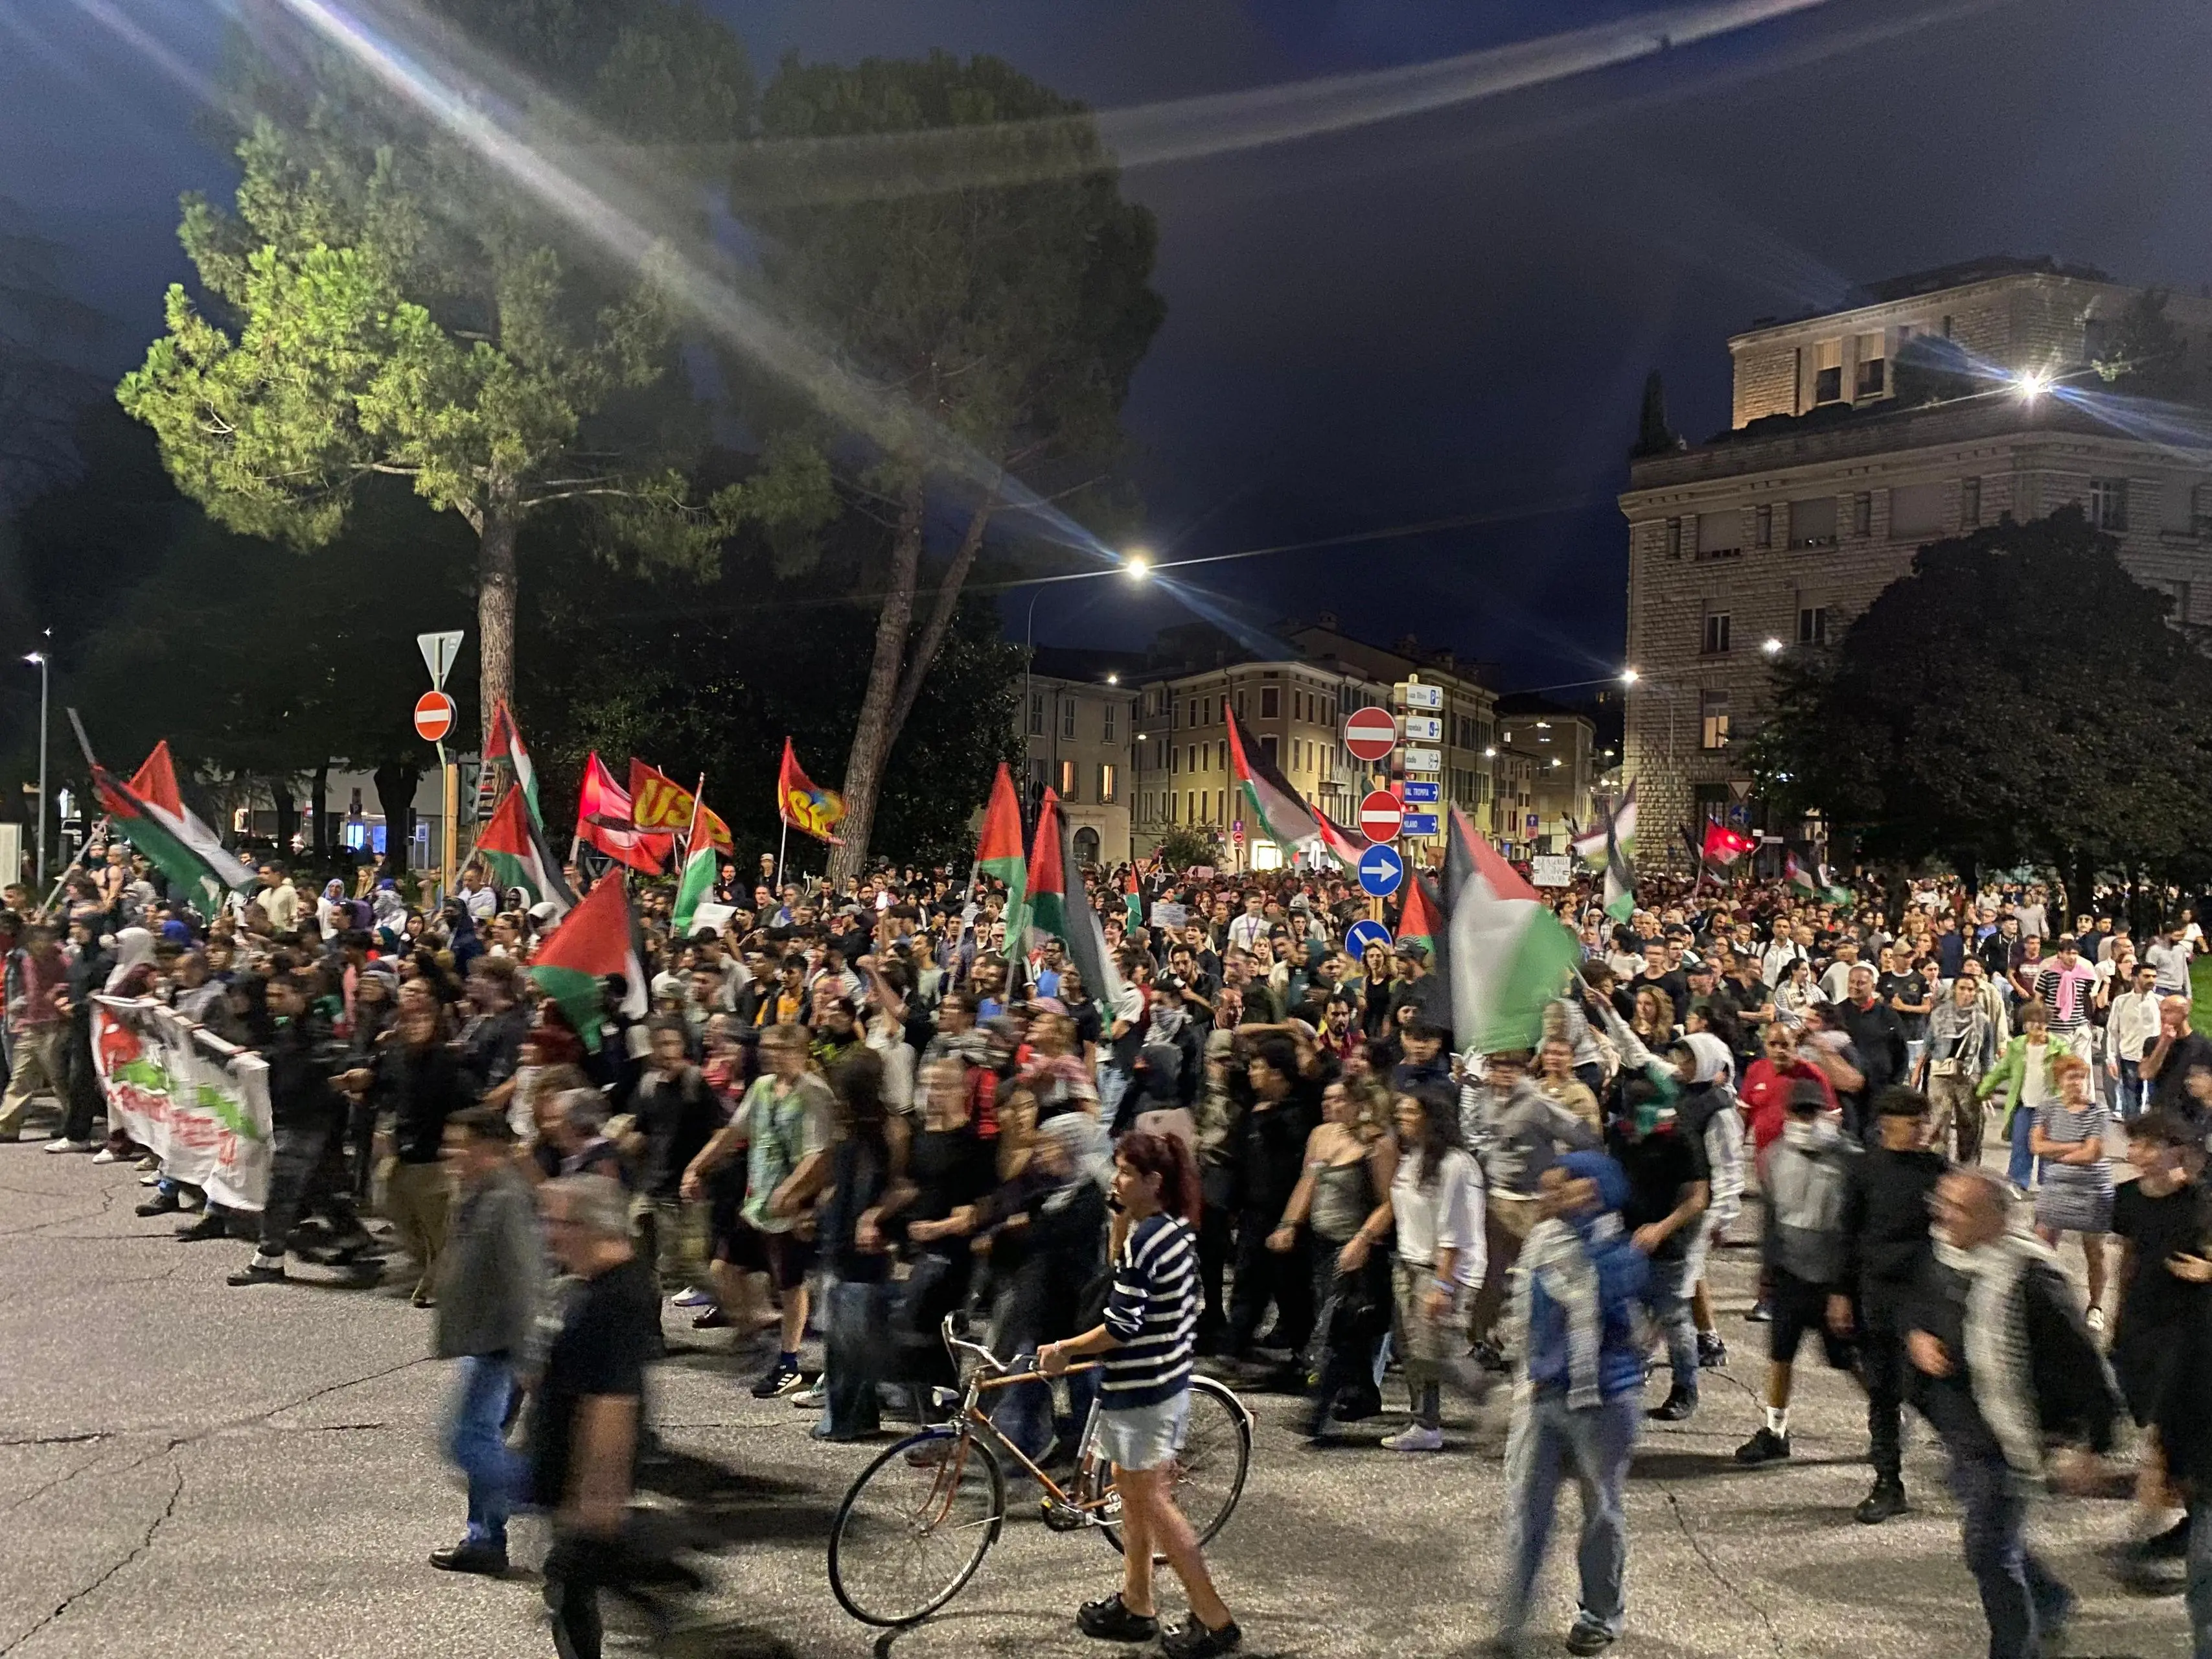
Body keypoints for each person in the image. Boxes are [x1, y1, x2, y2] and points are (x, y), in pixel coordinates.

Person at [1041, 1131, 1241, 1659]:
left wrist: (1065, 1349)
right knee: (1131, 1493)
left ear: (1154, 1182)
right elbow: (1123, 1277)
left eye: (1127, 1173)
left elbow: (1120, 1325)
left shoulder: (1148, 1239)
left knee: (1152, 1502)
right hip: (1162, 1381)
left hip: (1143, 1389)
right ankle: (1137, 1603)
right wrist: (1121, 1218)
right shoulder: (1173, 1229)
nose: (1116, 1179)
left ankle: (1214, 1618)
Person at [1907, 1168, 2121, 1659]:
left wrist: (2096, 1446)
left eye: (1959, 1209)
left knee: (1987, 1552)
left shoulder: (2033, 1280)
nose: (1944, 1215)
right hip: (1961, 1425)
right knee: (1995, 1539)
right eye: (1942, 1203)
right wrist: (1918, 1335)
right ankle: (2050, 1599)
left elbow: (2088, 1368)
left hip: (2013, 1436)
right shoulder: (1944, 1252)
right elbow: (1917, 1303)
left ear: (1997, 1220)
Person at [1494, 1152, 1650, 1658]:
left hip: (1604, 1401)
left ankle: (1599, 1615)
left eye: (1562, 1188)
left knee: (1601, 1512)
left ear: (1593, 1192)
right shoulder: (1545, 1242)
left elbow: (1615, 1305)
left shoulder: (1619, 1251)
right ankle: (1512, 1621)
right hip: (1544, 1397)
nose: (1549, 1197)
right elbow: (1524, 1314)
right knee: (1528, 1513)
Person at [529, 1174, 678, 1659]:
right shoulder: (591, 1285)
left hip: (588, 1483)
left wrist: (596, 1500)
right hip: (571, 1474)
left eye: (557, 1222)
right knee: (588, 1583)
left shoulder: (613, 1301)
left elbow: (614, 1403)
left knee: (570, 1585)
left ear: (590, 1227)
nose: (549, 1232)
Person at [682, 1023, 833, 1398]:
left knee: (790, 1285)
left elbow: (819, 1156)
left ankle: (789, 1363)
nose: (769, 1053)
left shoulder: (814, 1095)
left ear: (800, 1051)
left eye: (778, 1048)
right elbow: (733, 1132)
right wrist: (697, 1167)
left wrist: (791, 1192)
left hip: (790, 1207)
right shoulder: (763, 1087)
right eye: (766, 1047)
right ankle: (754, 1335)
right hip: (756, 1203)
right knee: (722, 1270)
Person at [429, 1106, 542, 1576]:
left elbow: (526, 1277)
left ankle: (555, 1496)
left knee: (468, 1441)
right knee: (479, 1439)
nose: (452, 1153)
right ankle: (485, 1539)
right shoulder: (480, 1193)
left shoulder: (506, 1200)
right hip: (489, 1340)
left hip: (503, 1344)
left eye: (462, 1144)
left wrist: (529, 1354)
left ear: (490, 1148)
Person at [1833, 1086, 1946, 1524]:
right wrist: (1841, 1293)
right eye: (1914, 1122)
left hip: (1924, 1300)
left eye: (1925, 1121)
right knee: (1882, 1395)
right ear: (1886, 1124)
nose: (1922, 1130)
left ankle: (1976, 1469)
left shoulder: (1937, 1170)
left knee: (1933, 1391)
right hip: (1875, 1297)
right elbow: (1847, 1232)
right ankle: (1887, 1482)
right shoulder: (1863, 1170)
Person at [1733, 1080, 1858, 1472]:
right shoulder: (1773, 1157)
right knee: (1780, 1355)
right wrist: (1767, 1273)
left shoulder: (1849, 1159)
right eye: (1798, 1112)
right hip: (1790, 1274)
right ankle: (1775, 1431)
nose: (1805, 1120)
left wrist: (1845, 1288)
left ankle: (1889, 1419)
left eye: (1812, 1112)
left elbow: (1854, 1227)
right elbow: (1771, 1219)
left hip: (1831, 1280)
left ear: (1824, 1113)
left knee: (1848, 1359)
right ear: (1787, 1114)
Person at [2106, 1113, 2207, 1569]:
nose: (2139, 1155)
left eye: (2150, 1146)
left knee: (2167, 1433)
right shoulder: (2126, 1198)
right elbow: (2128, 1258)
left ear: (2177, 1150)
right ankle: (2188, 1516)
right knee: (2154, 1422)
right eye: (2135, 1145)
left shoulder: (2201, 1201)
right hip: (2141, 1326)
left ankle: (2180, 1526)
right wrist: (2116, 1315)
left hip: (2189, 1330)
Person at [1381, 1085, 1484, 1452]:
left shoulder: (1455, 1164)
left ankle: (1500, 1404)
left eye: (1411, 1112)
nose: (1403, 1119)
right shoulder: (1414, 1157)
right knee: (1414, 1352)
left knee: (1442, 1355)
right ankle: (1425, 1424)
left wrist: (1444, 1286)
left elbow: (1454, 1231)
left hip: (1441, 1270)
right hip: (1409, 1263)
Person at [2028, 1053, 2114, 1329]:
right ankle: (2044, 1301)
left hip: (2092, 1189)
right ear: (2059, 1081)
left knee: (2095, 1251)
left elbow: (2092, 1153)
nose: (2078, 1083)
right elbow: (2036, 1146)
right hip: (2057, 1187)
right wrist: (2074, 1146)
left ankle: (2096, 1305)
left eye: (2082, 1077)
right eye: (2071, 1077)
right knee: (2040, 1247)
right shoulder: (2047, 1109)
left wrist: (2058, 1150)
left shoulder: (2097, 1111)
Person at [1979, 997, 2059, 1196]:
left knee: (2049, 1147)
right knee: (2021, 1144)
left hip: (2051, 1107)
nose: (2038, 1026)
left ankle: (2049, 1184)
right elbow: (2001, 1070)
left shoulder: (2058, 1047)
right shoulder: (2017, 1047)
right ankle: (2018, 1182)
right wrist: (1984, 1089)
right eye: (2032, 1021)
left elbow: (2071, 1069)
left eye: (2042, 1022)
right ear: (2025, 1025)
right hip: (2024, 1104)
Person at [1927, 974, 1996, 1166]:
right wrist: (1918, 1072)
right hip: (1941, 1074)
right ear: (1954, 989)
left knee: (1970, 1125)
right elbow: (1928, 1044)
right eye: (1962, 988)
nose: (1966, 993)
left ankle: (1968, 1169)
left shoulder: (1982, 1019)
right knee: (1939, 1123)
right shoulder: (1939, 1014)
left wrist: (1988, 1083)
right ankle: (1937, 1167)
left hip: (1969, 1075)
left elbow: (1987, 1054)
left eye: (1971, 989)